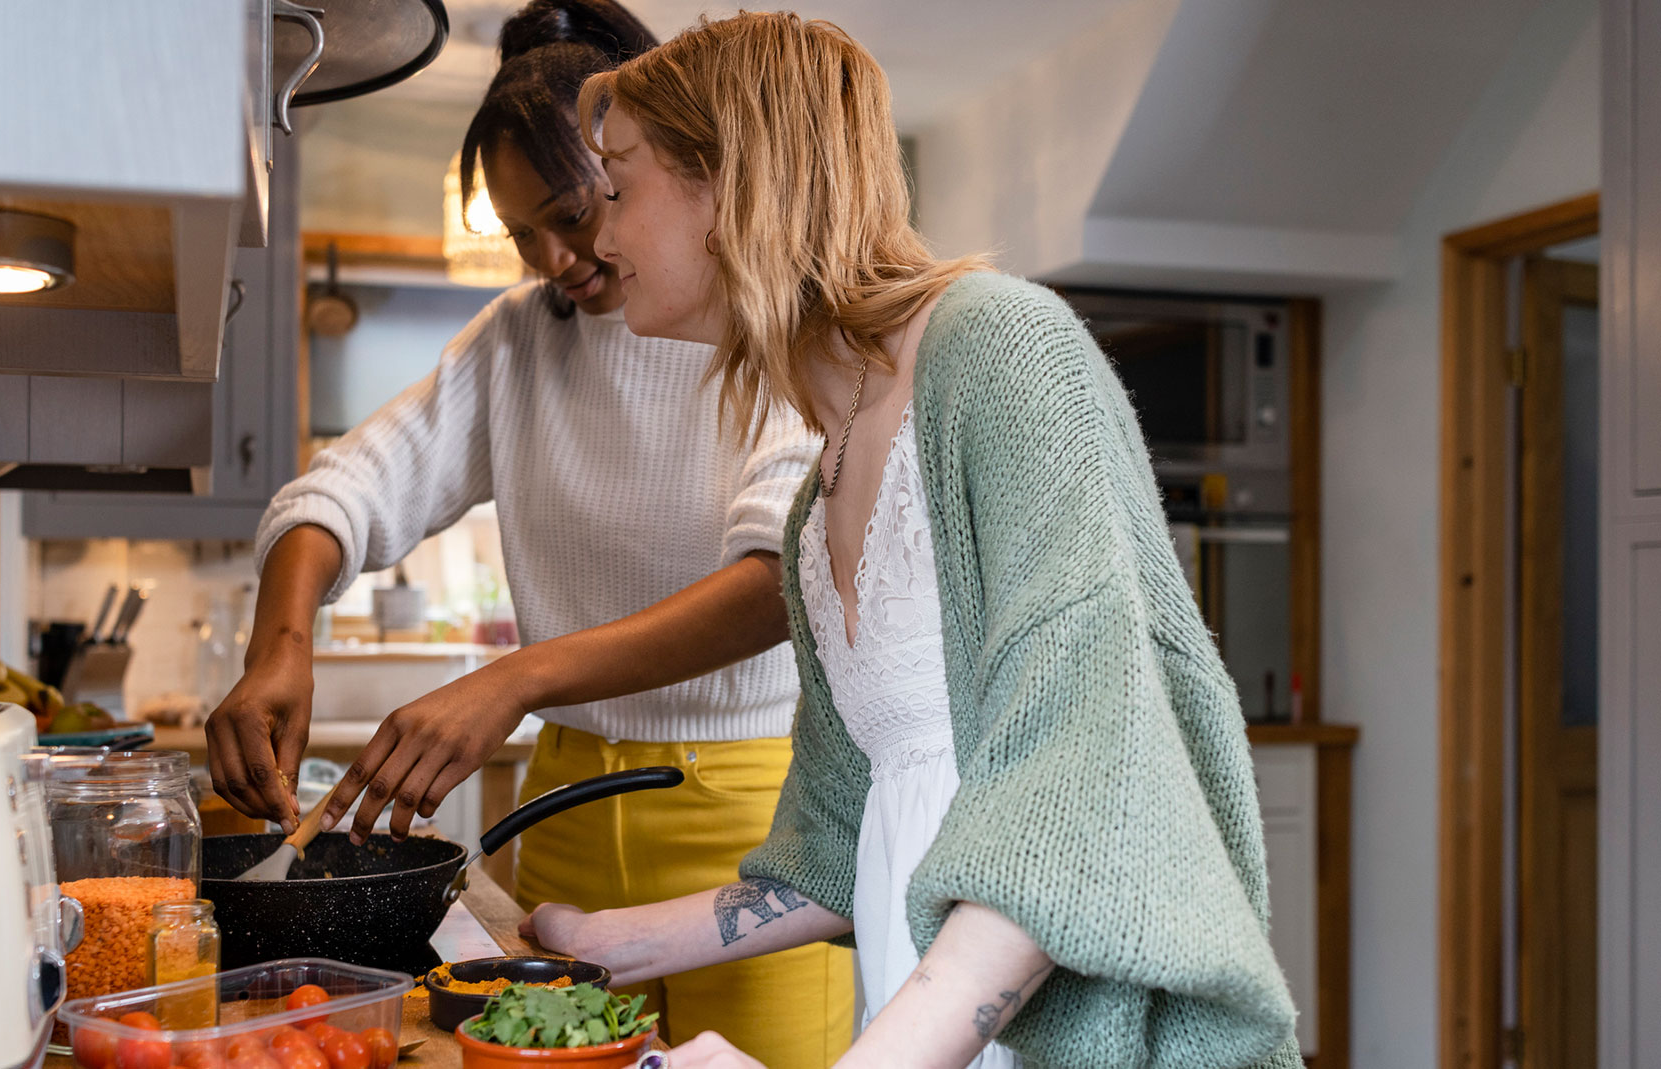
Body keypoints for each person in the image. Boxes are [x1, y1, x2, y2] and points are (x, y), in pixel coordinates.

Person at [523, 12, 1302, 1069]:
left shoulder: (1002, 349)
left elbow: (1075, 792)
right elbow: (836, 848)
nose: (598, 237)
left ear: (735, 182)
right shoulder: (820, 491)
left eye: (619, 187)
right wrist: (589, 946)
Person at [203, 2, 851, 1064]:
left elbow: (777, 580)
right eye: (519, 235)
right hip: (564, 806)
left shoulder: (772, 330)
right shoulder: (515, 342)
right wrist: (281, 640)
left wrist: (516, 677)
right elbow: (341, 491)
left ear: (647, 164)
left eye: (572, 210)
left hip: (760, 825)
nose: (553, 257)